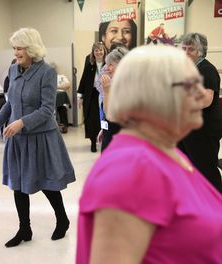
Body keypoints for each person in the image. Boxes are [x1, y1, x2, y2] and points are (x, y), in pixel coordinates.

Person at [76, 45, 222, 264]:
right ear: (155, 95)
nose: (202, 94)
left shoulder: (167, 150)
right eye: (191, 85)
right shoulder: (131, 171)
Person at [0, 28, 75, 248]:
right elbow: (10, 103)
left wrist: (21, 122)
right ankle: (24, 229)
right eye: (14, 48)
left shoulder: (46, 72)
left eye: (20, 48)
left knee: (47, 183)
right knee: (18, 184)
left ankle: (62, 219)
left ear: (32, 48)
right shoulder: (12, 69)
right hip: (17, 139)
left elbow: (47, 110)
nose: (16, 52)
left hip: (41, 137)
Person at [178, 33, 222, 193]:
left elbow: (207, 100)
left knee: (206, 169)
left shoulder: (207, 70)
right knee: (184, 165)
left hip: (204, 129)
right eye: (184, 48)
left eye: (191, 49)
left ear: (201, 51)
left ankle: (216, 202)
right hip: (187, 127)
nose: (186, 52)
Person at [77, 42, 107, 152]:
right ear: (93, 52)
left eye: (100, 50)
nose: (99, 52)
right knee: (91, 120)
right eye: (96, 50)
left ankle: (104, 140)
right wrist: (80, 96)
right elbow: (84, 80)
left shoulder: (108, 64)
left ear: (104, 51)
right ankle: (93, 142)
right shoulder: (90, 64)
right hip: (92, 95)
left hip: (104, 94)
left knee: (103, 118)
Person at [98, 46, 129, 151]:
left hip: (120, 140)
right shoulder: (114, 84)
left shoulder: (128, 88)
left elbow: (111, 115)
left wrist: (106, 91)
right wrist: (104, 129)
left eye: (110, 64)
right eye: (107, 64)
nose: (107, 68)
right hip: (110, 133)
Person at [50, 62, 70, 134]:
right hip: (50, 98)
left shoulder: (61, 77)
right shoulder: (47, 77)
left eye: (54, 68)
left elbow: (67, 85)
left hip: (61, 97)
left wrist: (57, 87)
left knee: (62, 108)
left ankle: (64, 126)